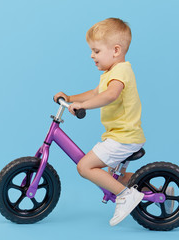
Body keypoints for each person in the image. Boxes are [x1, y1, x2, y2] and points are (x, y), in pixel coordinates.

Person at [54, 18, 146, 226]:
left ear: (115, 50)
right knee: (116, 178)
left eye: (96, 51)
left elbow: (110, 95)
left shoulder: (121, 71)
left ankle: (125, 196)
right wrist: (71, 98)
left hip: (123, 138)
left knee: (85, 166)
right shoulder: (109, 73)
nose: (91, 55)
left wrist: (83, 106)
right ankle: (159, 191)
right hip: (121, 136)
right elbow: (96, 92)